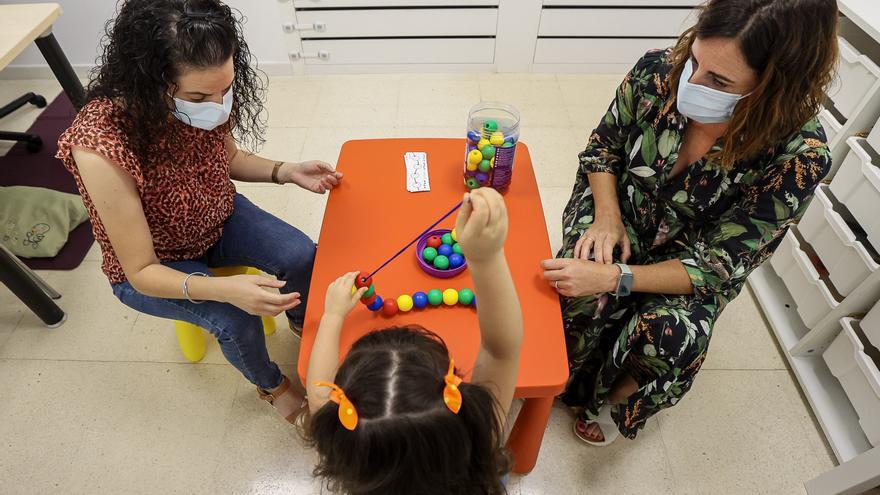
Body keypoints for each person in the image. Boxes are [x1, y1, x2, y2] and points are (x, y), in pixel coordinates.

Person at [542, 0, 838, 445]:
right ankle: (557, 371)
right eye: (696, 61)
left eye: (718, 81)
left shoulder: (798, 158)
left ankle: (605, 401)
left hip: (689, 262)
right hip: (619, 208)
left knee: (670, 338)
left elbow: (717, 266)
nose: (692, 84)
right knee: (579, 284)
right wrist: (605, 218)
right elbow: (603, 148)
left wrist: (616, 277)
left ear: (774, 87)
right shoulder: (660, 70)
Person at [55, 0, 341, 423]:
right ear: (147, 81)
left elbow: (229, 159)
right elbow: (141, 271)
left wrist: (285, 171)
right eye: (199, 96)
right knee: (237, 321)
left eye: (225, 89)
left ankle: (303, 322)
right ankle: (272, 386)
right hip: (158, 263)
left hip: (219, 217)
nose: (218, 105)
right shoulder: (100, 144)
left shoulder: (207, 100)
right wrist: (227, 291)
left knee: (302, 255)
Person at [304, 188, 523, 494]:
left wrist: (332, 317)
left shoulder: (344, 444)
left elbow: (317, 399)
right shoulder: (477, 439)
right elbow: (501, 351)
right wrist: (486, 256)